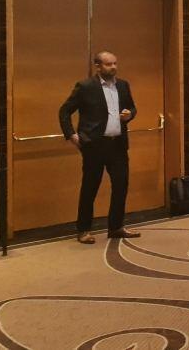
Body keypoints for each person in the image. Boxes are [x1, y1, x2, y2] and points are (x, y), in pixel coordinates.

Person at [58, 50, 140, 244]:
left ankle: (116, 227)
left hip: (118, 145)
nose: (113, 67)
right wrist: (71, 135)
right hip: (94, 146)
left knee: (121, 186)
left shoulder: (123, 85)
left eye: (115, 63)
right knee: (90, 187)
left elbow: (132, 108)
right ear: (98, 66)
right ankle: (84, 229)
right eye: (108, 64)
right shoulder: (86, 87)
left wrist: (130, 114)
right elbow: (64, 111)